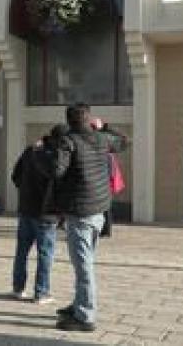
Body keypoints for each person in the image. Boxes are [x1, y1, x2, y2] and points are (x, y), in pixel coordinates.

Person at [53, 103, 127, 332]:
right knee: (85, 263)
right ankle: (78, 304)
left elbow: (57, 171)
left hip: (80, 214)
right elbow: (125, 141)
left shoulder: (69, 141)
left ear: (69, 121)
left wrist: (56, 146)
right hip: (99, 212)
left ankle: (85, 316)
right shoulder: (102, 138)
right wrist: (104, 126)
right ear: (89, 119)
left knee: (83, 266)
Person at [11, 124, 67, 304]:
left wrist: (26, 190)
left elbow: (15, 176)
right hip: (46, 212)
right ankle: (41, 292)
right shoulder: (59, 156)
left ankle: (18, 288)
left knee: (22, 251)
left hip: (26, 208)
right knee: (45, 253)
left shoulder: (31, 151)